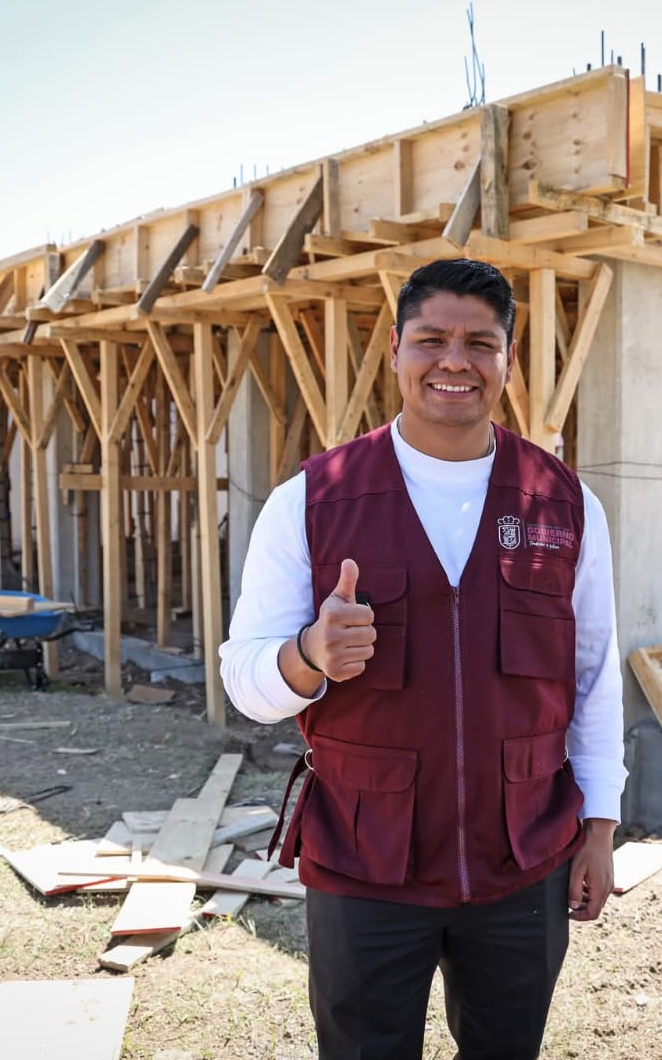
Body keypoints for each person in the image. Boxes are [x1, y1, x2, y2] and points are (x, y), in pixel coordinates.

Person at [220, 258, 626, 1060]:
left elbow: (594, 676)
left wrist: (600, 826)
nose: (454, 361)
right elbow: (246, 681)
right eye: (431, 339)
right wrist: (308, 656)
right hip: (366, 861)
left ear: (508, 359)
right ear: (396, 349)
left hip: (522, 859)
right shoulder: (311, 500)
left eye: (480, 343)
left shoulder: (564, 503)